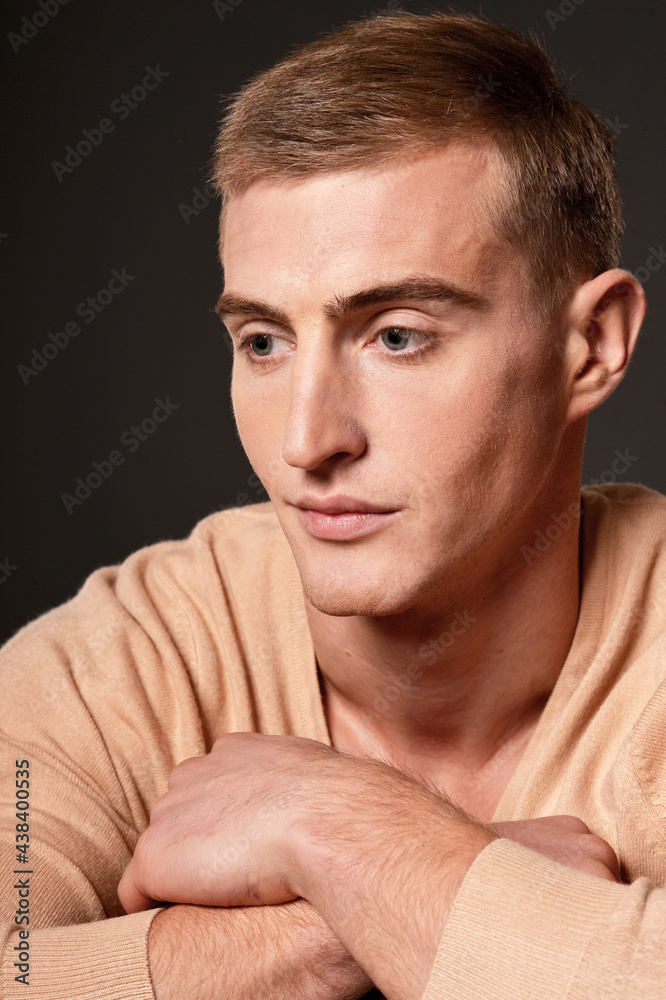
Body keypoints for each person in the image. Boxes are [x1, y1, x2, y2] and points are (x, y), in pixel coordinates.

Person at [1, 9, 665, 999]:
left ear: (592, 345)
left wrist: (330, 820)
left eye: (396, 335)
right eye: (264, 341)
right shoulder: (128, 659)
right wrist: (360, 915)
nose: (308, 440)